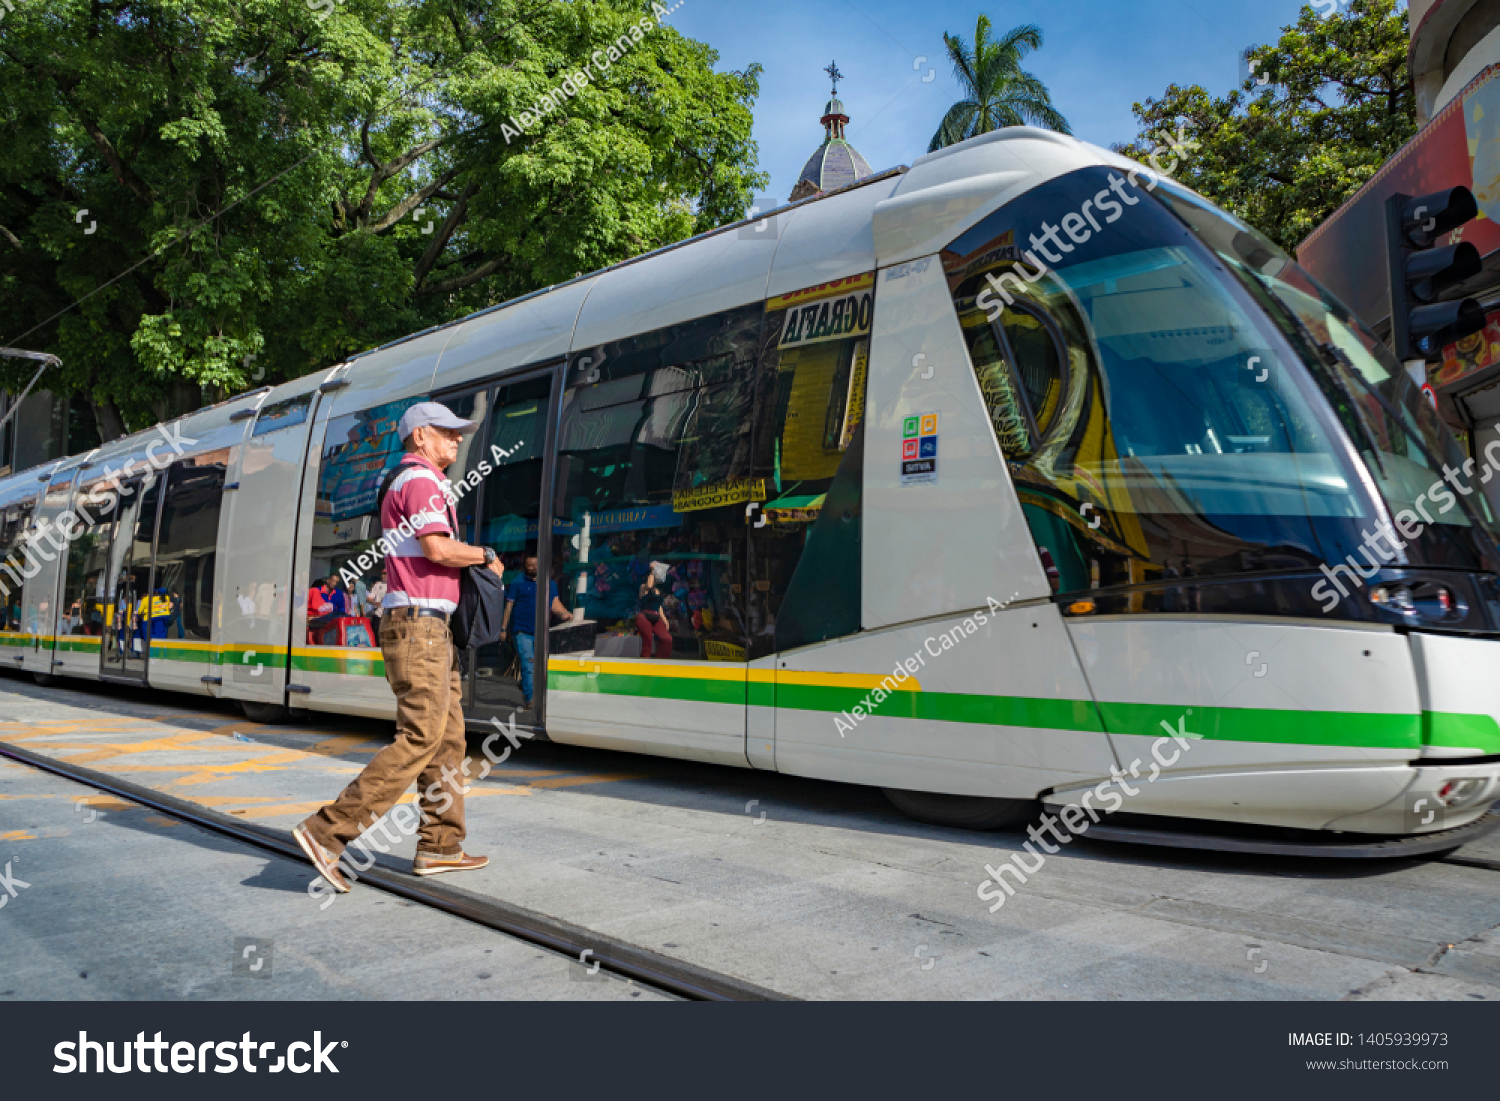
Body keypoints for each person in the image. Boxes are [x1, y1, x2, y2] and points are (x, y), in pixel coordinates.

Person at [294, 402, 505, 894]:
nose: (456, 442)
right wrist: (486, 555)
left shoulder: (415, 480)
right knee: (421, 738)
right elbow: (437, 549)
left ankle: (440, 846)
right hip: (419, 628)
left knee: (448, 741)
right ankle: (326, 832)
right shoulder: (421, 480)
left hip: (429, 627)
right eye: (447, 434)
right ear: (420, 437)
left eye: (458, 434)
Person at [499, 553, 567, 709]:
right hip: (522, 630)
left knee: (541, 667)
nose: (533, 568)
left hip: (542, 631)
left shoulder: (549, 584)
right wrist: (503, 628)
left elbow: (554, 603)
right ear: (525, 566)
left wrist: (565, 614)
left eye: (536, 565)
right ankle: (530, 700)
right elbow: (508, 606)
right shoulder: (517, 583)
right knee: (529, 665)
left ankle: (525, 685)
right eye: (530, 565)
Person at [636, 568, 671, 658]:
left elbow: (659, 607)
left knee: (667, 639)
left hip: (656, 616)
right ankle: (645, 661)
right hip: (644, 615)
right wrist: (652, 570)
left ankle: (660, 660)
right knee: (648, 638)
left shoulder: (657, 591)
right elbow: (649, 585)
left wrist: (664, 619)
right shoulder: (643, 587)